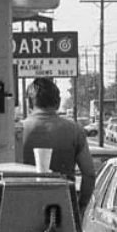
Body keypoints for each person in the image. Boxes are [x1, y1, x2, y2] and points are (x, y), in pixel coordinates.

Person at [20, 77, 96, 211]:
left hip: (23, 208)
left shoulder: (17, 131)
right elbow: (89, 174)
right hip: (64, 209)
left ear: (29, 103)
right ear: (58, 103)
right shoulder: (75, 131)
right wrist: (81, 206)